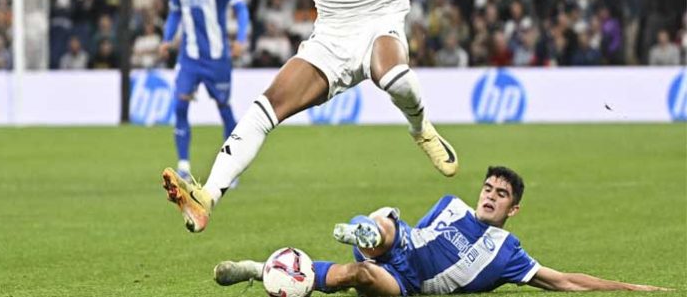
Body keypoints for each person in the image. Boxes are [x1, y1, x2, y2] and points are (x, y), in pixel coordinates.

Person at [150, 0, 573, 233]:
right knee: (265, 107)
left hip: (379, 24)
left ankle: (421, 126)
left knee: (390, 74)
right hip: (330, 38)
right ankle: (207, 198)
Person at [214, 166, 668, 294]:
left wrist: (629, 286)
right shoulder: (452, 206)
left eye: (501, 194)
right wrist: (387, 234)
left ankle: (260, 268)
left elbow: (564, 280)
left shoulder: (507, 252)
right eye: (488, 188)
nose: (490, 195)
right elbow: (417, 234)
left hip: (407, 284)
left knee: (361, 277)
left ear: (514, 209)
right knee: (386, 222)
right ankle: (364, 232)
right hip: (402, 243)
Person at [159, 0, 250, 181]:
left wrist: (241, 38)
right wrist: (167, 39)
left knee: (224, 109)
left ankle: (231, 169)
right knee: (179, 105)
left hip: (217, 56)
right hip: (189, 56)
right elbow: (175, 13)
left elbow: (241, 8)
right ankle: (184, 167)